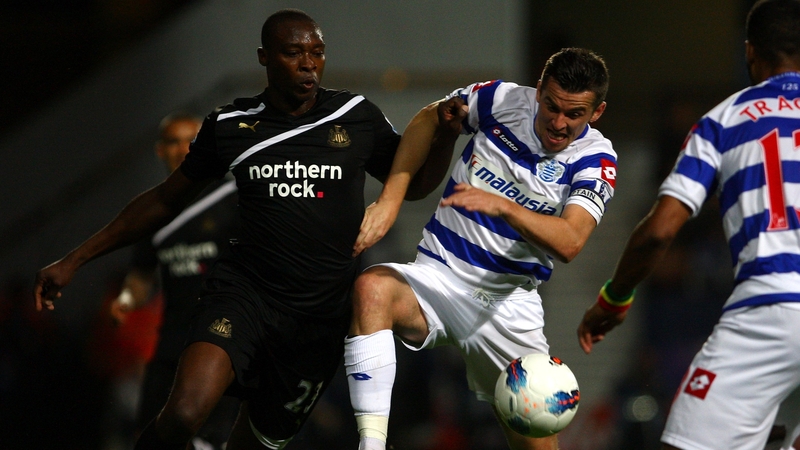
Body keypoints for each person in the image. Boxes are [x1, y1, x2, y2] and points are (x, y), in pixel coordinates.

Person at [33, 9, 461, 450]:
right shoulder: (229, 126)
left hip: (318, 320)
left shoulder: (356, 116)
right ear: (264, 57)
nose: (308, 63)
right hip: (245, 297)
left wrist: (445, 138)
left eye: (316, 52)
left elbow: (411, 185)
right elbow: (164, 200)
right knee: (183, 414)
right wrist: (74, 260)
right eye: (293, 53)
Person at [344, 47, 616, 450]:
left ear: (596, 113)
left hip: (507, 306)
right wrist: (390, 200)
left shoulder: (596, 158)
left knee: (537, 443)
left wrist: (505, 207)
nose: (558, 123)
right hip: (439, 276)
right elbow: (429, 119)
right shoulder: (500, 99)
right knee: (371, 288)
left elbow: (571, 241)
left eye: (574, 114)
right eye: (551, 106)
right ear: (538, 90)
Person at [576, 1, 800, 449]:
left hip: (772, 306)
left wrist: (613, 299)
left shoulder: (724, 121)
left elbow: (660, 230)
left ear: (750, 53)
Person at [108, 112, 241, 449]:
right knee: (149, 438)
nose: (183, 149)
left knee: (214, 439)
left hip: (223, 342)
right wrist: (125, 301)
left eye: (192, 141)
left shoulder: (234, 197)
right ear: (160, 150)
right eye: (174, 141)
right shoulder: (155, 210)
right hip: (171, 345)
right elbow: (140, 277)